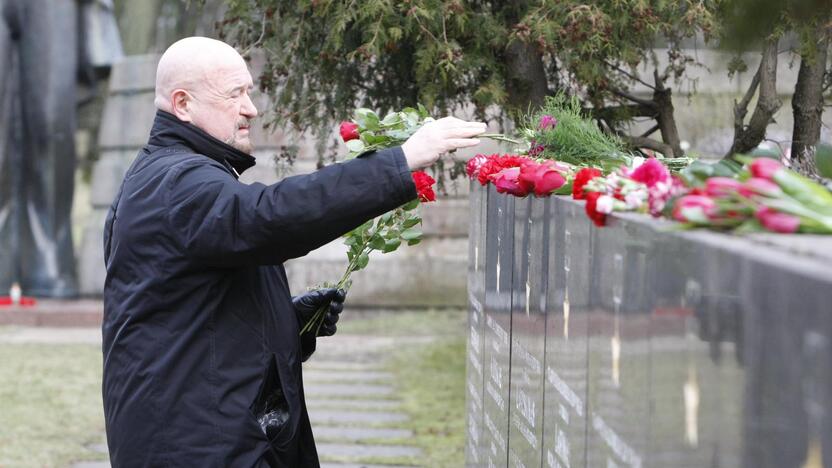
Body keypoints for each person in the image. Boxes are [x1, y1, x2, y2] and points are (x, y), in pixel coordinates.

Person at [101, 36, 486, 467]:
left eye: (248, 91)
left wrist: (288, 319)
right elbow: (269, 218)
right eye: (234, 94)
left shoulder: (173, 174)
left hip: (201, 433)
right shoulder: (178, 181)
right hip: (194, 445)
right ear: (183, 104)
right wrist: (402, 159)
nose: (251, 108)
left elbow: (191, 308)